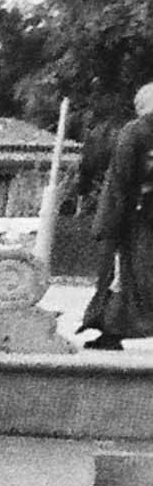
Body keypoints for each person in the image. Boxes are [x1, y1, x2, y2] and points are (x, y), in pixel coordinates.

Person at [81, 80, 153, 350]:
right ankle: (111, 330)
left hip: (134, 216)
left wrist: (113, 220)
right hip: (138, 215)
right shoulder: (137, 133)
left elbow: (121, 181)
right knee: (130, 275)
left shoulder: (134, 132)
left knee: (128, 275)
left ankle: (111, 330)